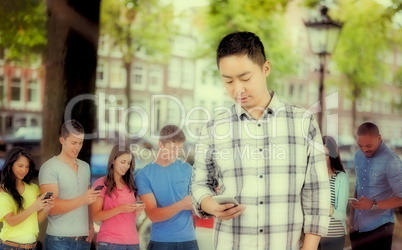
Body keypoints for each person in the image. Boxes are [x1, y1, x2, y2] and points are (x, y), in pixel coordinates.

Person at [190, 31, 330, 250]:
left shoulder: (303, 122)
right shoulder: (213, 128)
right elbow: (199, 184)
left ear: (266, 68)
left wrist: (309, 247)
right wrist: (210, 205)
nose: (238, 89)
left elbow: (316, 192)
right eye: (228, 81)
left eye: (245, 78)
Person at [39, 119, 100, 250]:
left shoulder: (85, 167)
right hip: (59, 241)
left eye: (80, 143)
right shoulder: (49, 167)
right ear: (62, 140)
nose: (77, 147)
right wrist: (83, 199)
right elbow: (52, 207)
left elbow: (88, 201)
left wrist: (90, 225)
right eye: (73, 143)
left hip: (83, 240)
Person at [135, 125, 198, 250]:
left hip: (189, 241)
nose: (176, 153)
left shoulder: (188, 170)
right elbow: (153, 214)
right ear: (160, 145)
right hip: (161, 243)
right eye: (173, 148)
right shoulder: (144, 176)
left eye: (179, 149)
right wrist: (181, 205)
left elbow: (195, 207)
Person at [349, 122, 402, 250]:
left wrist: (373, 204)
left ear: (379, 138)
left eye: (369, 145)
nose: (365, 150)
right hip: (357, 229)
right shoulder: (358, 156)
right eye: (360, 146)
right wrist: (351, 219)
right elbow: (358, 186)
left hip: (380, 230)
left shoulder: (391, 161)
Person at [92, 144, 145, 249]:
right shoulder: (101, 183)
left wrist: (138, 209)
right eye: (122, 162)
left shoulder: (132, 184)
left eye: (128, 163)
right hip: (109, 242)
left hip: (132, 242)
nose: (126, 166)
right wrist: (119, 209)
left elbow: (134, 216)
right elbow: (96, 216)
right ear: (113, 161)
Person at [0, 146, 54, 250]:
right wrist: (34, 207)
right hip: (10, 247)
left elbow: (36, 219)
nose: (24, 170)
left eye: (27, 167)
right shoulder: (3, 191)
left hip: (32, 246)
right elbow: (11, 221)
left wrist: (46, 209)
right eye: (20, 166)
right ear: (11, 165)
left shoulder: (33, 188)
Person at [318, 136, 349, 250]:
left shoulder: (341, 177)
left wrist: (329, 209)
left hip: (334, 236)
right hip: (314, 235)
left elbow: (341, 214)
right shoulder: (313, 177)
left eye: (325, 155)